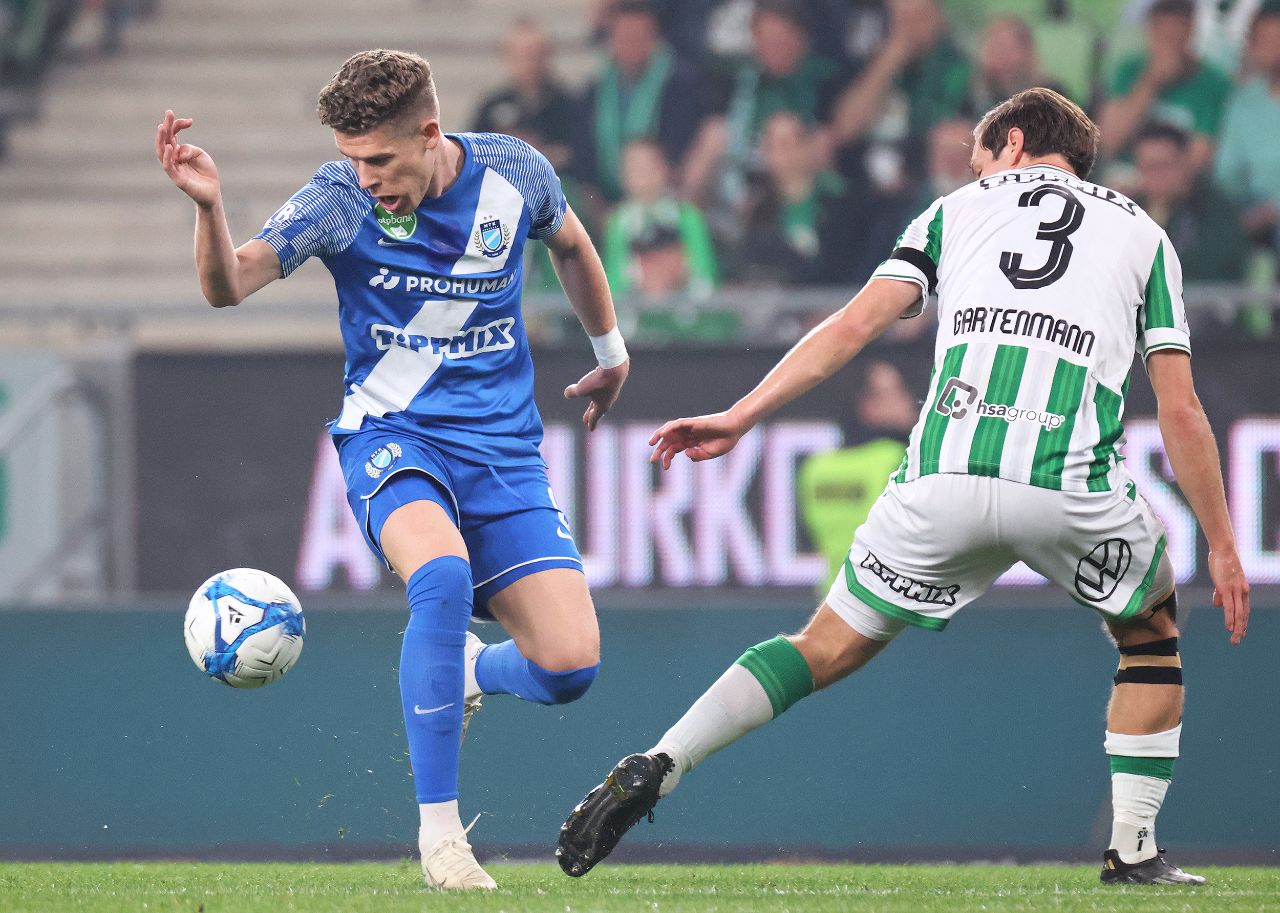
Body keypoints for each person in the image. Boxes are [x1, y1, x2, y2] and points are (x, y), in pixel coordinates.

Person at [556, 87, 1250, 886]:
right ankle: (1133, 850)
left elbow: (853, 324)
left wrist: (741, 414)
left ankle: (663, 760)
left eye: (979, 158)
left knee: (822, 645)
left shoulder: (952, 212)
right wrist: (1222, 543)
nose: (977, 172)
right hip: (1068, 483)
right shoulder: (1145, 235)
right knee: (1149, 636)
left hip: (943, 475)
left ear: (1013, 143)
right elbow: (1180, 408)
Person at [156, 49, 629, 891]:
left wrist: (610, 352)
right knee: (440, 575)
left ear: (429, 133)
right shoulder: (338, 199)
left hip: (504, 453)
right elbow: (230, 285)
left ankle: (468, 670)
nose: (366, 177)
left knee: (569, 668)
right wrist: (209, 207)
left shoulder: (514, 172)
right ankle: (441, 837)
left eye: (378, 158)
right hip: (392, 435)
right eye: (352, 157)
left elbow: (572, 244)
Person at [797, 360, 918, 592]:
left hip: (834, 596)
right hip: (891, 596)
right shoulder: (898, 458)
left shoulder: (816, 467)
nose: (908, 402)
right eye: (894, 394)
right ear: (867, 406)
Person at [574, 0, 704, 202]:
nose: (631, 45)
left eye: (639, 37)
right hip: (605, 200)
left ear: (654, 40)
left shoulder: (679, 86)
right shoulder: (594, 92)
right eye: (624, 37)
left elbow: (679, 150)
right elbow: (584, 157)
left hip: (663, 195)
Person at [1099, 0, 1232, 171]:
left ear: (1191, 31)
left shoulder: (1214, 83)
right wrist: (1150, 83)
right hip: (1124, 173)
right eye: (1163, 35)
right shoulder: (1129, 69)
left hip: (1175, 180)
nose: (1169, 45)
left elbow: (1199, 157)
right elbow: (1109, 142)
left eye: (1176, 36)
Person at [1131, 122, 1248, 282]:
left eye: (1163, 165)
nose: (1154, 175)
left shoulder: (1215, 209)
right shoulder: (1131, 209)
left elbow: (1212, 266)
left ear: (1185, 162)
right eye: (1146, 167)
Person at [472, 19, 575, 172]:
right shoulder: (491, 106)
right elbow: (473, 155)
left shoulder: (569, 105)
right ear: (507, 56)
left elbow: (578, 154)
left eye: (537, 54)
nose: (530, 62)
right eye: (524, 54)